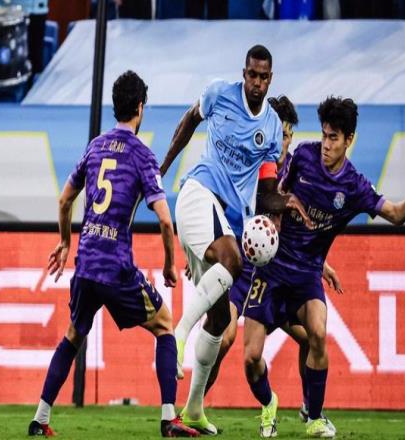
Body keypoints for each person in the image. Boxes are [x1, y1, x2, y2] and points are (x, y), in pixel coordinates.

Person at [243, 96, 405, 438]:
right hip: (272, 269)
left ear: (349, 140)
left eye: (334, 138)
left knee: (318, 334)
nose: (326, 144)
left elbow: (395, 215)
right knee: (251, 357)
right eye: (324, 135)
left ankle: (314, 416)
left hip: (306, 275)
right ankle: (269, 401)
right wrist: (270, 221)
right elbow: (275, 195)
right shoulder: (303, 156)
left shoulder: (354, 186)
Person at [27, 71, 198, 438]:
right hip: (117, 267)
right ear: (140, 107)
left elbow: (65, 200)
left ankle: (40, 418)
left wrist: (65, 242)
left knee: (73, 335)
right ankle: (169, 418)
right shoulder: (142, 155)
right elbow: (164, 220)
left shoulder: (95, 147)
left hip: (86, 263)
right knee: (165, 325)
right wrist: (170, 264)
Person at [159, 45, 311, 434]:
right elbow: (188, 122)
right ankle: (178, 336)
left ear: (270, 79)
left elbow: (266, 193)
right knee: (232, 264)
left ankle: (193, 408)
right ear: (244, 73)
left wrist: (287, 202)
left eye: (263, 77)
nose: (256, 83)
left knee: (220, 322)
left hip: (229, 231)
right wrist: (162, 169)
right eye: (251, 75)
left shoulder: (273, 131)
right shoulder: (218, 94)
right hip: (201, 198)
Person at [203, 95, 344, 425]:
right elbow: (222, 207)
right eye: (279, 134)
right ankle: (194, 408)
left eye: (288, 135)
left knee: (311, 339)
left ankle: (309, 407)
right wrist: (205, 246)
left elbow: (299, 229)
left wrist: (321, 265)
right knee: (223, 340)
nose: (284, 142)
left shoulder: (296, 170)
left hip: (279, 276)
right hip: (244, 269)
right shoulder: (249, 166)